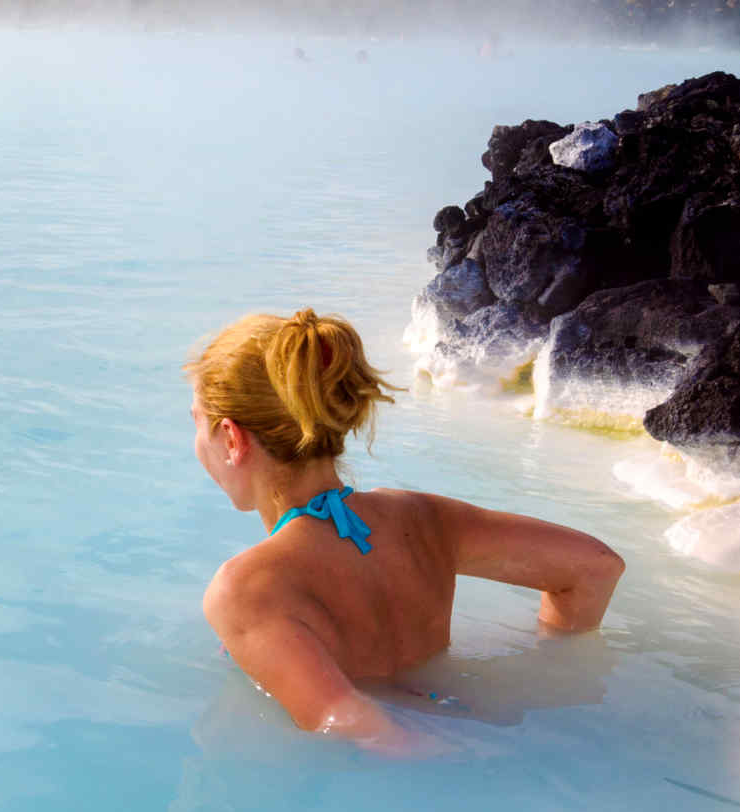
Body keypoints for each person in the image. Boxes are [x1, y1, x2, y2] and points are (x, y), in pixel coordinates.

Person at [186, 308, 625, 751]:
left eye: (196, 422)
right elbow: (595, 567)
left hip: (408, 777)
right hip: (472, 720)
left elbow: (347, 720)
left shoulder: (245, 590)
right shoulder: (421, 518)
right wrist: (554, 665)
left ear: (231, 438)